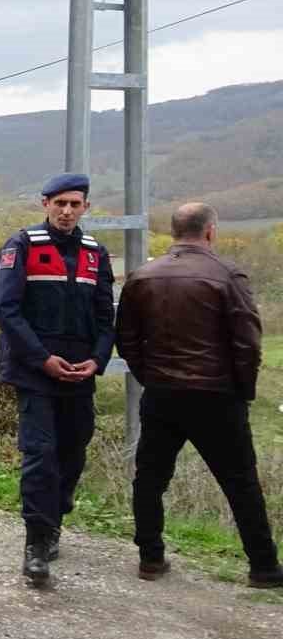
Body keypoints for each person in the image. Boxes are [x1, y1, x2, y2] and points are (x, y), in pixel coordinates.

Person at [116, 203, 282, 588]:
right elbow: (248, 343)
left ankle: (150, 558)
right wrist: (242, 389)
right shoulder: (226, 276)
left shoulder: (142, 277)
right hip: (217, 395)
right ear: (210, 231)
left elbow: (126, 338)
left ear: (174, 232)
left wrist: (149, 375)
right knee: (241, 482)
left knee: (150, 477)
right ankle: (263, 566)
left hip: (161, 393)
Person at [0, 172, 116, 588]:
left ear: (85, 208)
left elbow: (105, 316)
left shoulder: (96, 254)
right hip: (35, 371)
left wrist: (98, 360)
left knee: (73, 449)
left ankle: (54, 517)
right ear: (45, 204)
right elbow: (6, 310)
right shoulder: (22, 245)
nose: (66, 211)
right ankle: (36, 543)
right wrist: (43, 359)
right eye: (59, 203)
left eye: (74, 204)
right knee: (40, 454)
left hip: (79, 372)